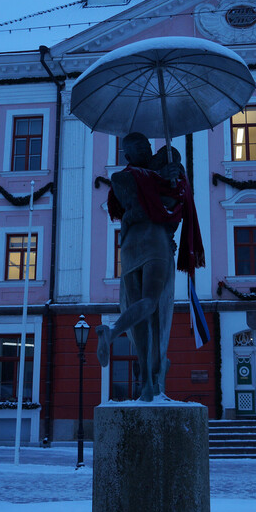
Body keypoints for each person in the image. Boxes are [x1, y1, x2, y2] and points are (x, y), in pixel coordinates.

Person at [96, 132, 204, 401]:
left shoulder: (121, 178)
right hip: (155, 243)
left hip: (130, 247)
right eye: (141, 147)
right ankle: (112, 333)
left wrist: (171, 174)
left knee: (143, 316)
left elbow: (133, 210)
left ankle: (147, 384)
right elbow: (169, 210)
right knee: (153, 304)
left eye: (147, 145)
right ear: (129, 154)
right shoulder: (154, 178)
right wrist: (172, 179)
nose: (147, 149)